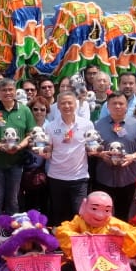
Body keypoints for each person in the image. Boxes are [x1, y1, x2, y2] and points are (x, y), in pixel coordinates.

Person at [0, 77, 35, 223]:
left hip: (16, 163)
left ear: (15, 91)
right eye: (4, 90)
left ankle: (13, 229)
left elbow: (31, 134)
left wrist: (20, 146)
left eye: (10, 89)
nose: (7, 93)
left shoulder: (24, 110)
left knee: (13, 200)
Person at [90, 94, 136, 220]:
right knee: (101, 215)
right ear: (108, 106)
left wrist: (132, 157)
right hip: (104, 178)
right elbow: (91, 148)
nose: (117, 106)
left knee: (123, 215)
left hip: (128, 178)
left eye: (121, 103)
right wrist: (101, 154)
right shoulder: (97, 125)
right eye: (114, 103)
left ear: (127, 106)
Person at [40, 91, 94, 226]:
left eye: (70, 103)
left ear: (76, 104)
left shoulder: (87, 124)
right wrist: (44, 152)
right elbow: (48, 148)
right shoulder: (50, 127)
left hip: (79, 177)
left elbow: (91, 146)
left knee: (79, 214)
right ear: (58, 106)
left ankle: (78, 238)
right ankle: (61, 238)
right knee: (59, 215)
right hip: (56, 177)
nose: (67, 106)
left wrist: (94, 151)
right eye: (63, 103)